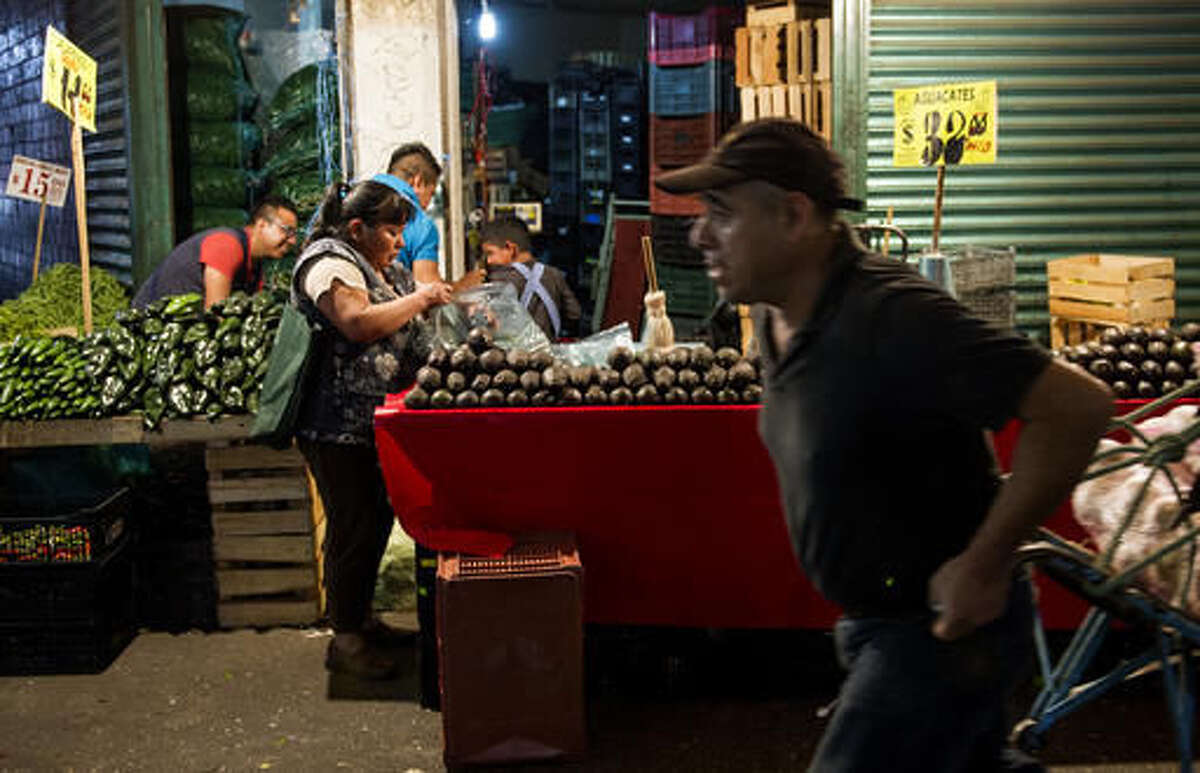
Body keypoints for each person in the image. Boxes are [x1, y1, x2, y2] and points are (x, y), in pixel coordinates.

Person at [655, 119, 1114, 772]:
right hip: (877, 621)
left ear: (792, 215)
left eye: (722, 213)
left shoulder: (892, 314)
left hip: (937, 629)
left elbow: (1076, 406)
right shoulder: (778, 314)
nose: (699, 233)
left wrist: (984, 561)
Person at [291, 179, 453, 679]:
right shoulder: (329, 263)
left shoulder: (386, 269)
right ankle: (345, 640)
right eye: (390, 231)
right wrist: (421, 300)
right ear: (358, 229)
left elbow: (418, 333)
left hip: (374, 424)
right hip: (334, 425)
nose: (399, 243)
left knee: (376, 520)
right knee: (352, 526)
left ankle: (360, 619)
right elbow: (357, 322)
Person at [133, 196, 299, 310]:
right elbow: (216, 313)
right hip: (152, 332)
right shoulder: (227, 246)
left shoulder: (255, 266)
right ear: (262, 224)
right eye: (287, 231)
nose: (293, 241)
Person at [373, 142, 485, 291]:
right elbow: (428, 290)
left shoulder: (358, 200)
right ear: (417, 182)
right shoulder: (420, 223)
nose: (426, 205)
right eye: (430, 194)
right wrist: (462, 285)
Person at [479, 216, 582, 340]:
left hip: (510, 356)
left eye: (490, 253)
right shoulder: (554, 275)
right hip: (546, 354)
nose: (489, 261)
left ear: (510, 248)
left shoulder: (498, 280)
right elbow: (574, 314)